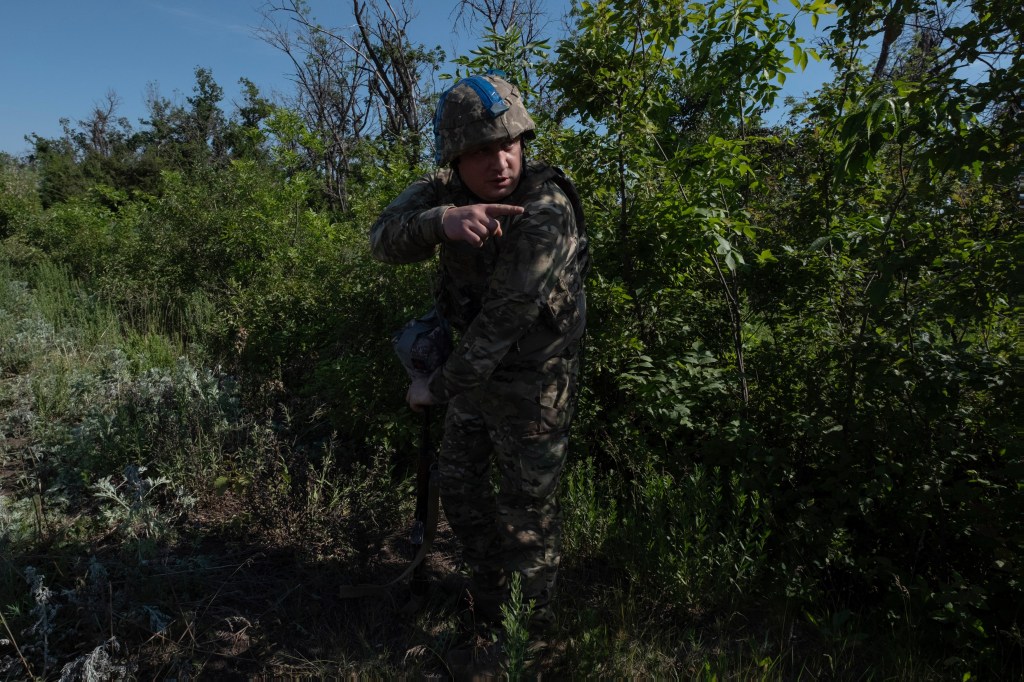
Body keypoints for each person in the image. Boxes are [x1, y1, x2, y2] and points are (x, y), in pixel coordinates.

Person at [369, 73, 587, 630]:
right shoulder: (444, 191)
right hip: (472, 373)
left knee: (526, 514)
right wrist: (440, 222)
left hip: (534, 381)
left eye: (508, 145)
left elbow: (503, 323)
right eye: (481, 151)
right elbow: (381, 239)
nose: (501, 162)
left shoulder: (545, 208)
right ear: (456, 158)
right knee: (462, 492)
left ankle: (527, 643)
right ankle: (490, 605)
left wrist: (434, 388)